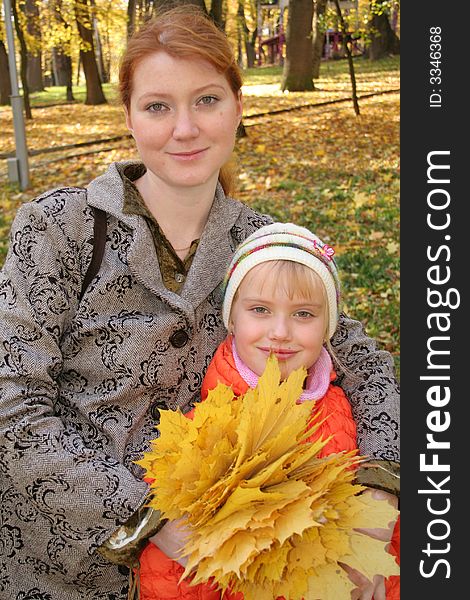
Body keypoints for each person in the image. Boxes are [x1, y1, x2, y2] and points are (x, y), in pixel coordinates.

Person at [0, 7, 399, 600]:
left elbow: (364, 363)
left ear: (238, 107)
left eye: (207, 100)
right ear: (130, 117)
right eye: (158, 106)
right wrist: (151, 517)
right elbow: (14, 403)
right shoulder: (62, 229)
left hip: (236, 578)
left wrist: (379, 495)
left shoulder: (267, 245)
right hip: (68, 575)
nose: (184, 128)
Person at [137, 222, 400, 600]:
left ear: (329, 325)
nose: (280, 331)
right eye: (260, 309)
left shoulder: (354, 416)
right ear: (232, 319)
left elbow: (387, 539)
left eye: (304, 314)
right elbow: (174, 571)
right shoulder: (201, 436)